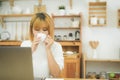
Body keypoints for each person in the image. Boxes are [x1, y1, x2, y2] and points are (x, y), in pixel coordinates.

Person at [21, 12, 64, 78]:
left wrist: (48, 49)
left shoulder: (56, 46)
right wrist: (31, 50)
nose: (41, 32)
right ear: (31, 30)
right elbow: (20, 69)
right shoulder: (25, 44)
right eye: (37, 29)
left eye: (45, 29)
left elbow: (56, 74)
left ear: (49, 30)